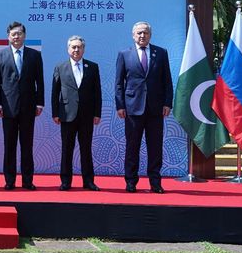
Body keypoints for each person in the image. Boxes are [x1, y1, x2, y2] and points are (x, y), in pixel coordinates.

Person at [115, 21, 173, 193]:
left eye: (145, 33)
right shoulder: (124, 54)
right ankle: (131, 181)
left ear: (150, 35)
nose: (142, 36)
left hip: (155, 109)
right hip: (133, 108)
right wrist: (120, 105)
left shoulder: (161, 53)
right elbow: (119, 83)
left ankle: (155, 182)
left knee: (155, 147)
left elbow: (167, 81)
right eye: (139, 33)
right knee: (132, 147)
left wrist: (167, 103)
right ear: (133, 35)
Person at [0, 21, 44, 190]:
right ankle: (9, 181)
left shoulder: (34, 55)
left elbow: (40, 81)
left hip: (29, 107)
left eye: (19, 34)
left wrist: (40, 103)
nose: (16, 37)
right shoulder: (0, 55)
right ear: (8, 36)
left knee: (27, 145)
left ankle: (28, 181)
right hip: (8, 107)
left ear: (24, 36)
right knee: (9, 145)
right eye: (13, 34)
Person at [51, 36, 101, 191]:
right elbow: (55, 92)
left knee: (86, 148)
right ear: (68, 49)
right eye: (73, 47)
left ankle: (88, 181)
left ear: (83, 49)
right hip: (67, 114)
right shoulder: (61, 67)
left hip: (87, 115)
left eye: (79, 47)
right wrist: (55, 113)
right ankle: (66, 181)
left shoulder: (92, 67)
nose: (76, 50)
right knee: (67, 148)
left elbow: (97, 92)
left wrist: (97, 113)